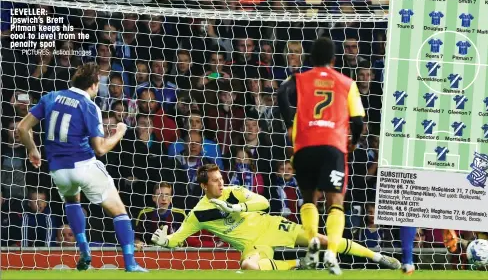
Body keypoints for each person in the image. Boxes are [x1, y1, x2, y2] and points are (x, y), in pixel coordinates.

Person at [16, 62, 147, 273]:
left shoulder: (50, 97)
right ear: (94, 85)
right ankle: (131, 263)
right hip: (83, 165)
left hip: (58, 170)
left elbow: (22, 127)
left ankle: (84, 250)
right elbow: (101, 149)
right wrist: (120, 131)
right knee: (120, 211)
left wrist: (33, 149)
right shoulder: (89, 106)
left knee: (72, 201)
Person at [150, 164, 400, 272]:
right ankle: (300, 264)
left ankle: (379, 257)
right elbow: (176, 239)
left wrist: (237, 208)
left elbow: (264, 202)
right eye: (216, 180)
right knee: (248, 267)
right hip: (255, 245)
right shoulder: (199, 214)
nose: (221, 182)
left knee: (322, 239)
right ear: (204, 185)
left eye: (221, 177)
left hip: (273, 225)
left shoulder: (233, 192)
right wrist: (164, 242)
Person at [276, 37, 367, 274]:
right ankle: (332, 252)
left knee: (309, 199)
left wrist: (289, 123)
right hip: (333, 146)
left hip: (305, 145)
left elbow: (281, 93)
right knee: (335, 202)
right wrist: (354, 141)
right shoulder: (347, 82)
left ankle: (312, 240)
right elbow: (358, 120)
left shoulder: (299, 78)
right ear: (334, 59)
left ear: (310, 58)